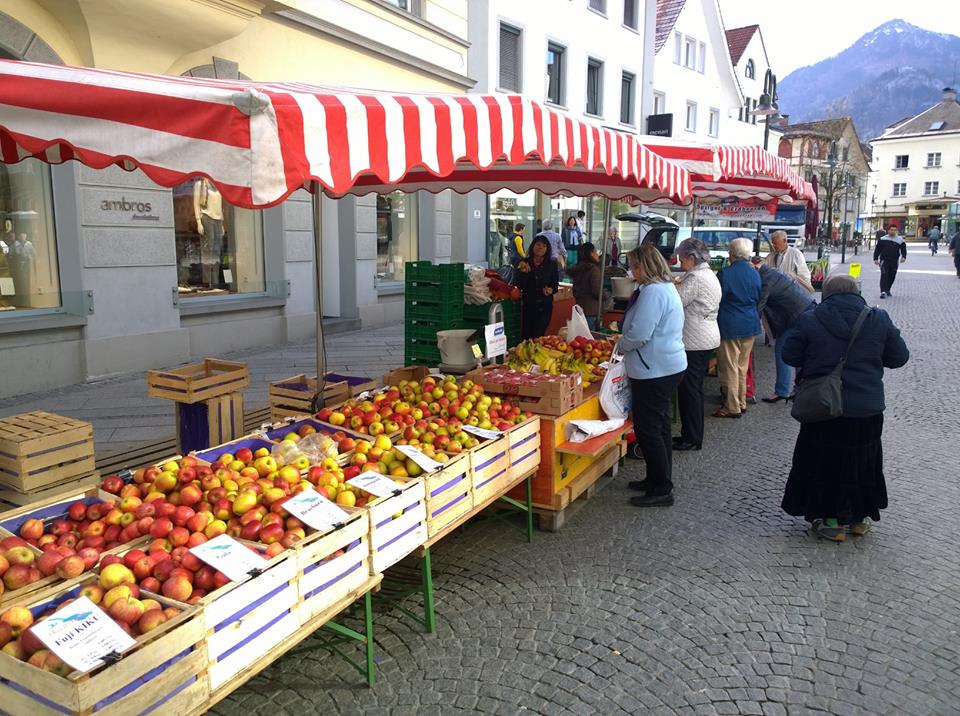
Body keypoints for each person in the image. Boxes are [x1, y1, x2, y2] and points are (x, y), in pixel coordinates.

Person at [781, 273, 909, 541]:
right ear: (856, 292)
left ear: (827, 293)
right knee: (863, 462)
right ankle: (859, 519)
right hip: (867, 406)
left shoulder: (810, 318)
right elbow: (899, 357)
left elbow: (790, 354)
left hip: (824, 406)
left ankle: (831, 521)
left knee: (824, 462)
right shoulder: (878, 318)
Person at [619, 244, 686, 508]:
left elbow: (639, 334)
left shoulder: (654, 292)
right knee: (660, 426)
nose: (632, 271)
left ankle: (661, 488)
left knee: (649, 429)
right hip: (665, 366)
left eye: (635, 266)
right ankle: (657, 478)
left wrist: (620, 345)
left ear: (647, 266)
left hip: (654, 370)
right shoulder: (660, 287)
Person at [672, 239, 721, 451]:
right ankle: (691, 434)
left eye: (682, 260)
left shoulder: (695, 277)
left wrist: (674, 285)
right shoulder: (709, 274)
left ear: (692, 258)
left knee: (690, 391)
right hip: (706, 337)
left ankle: (691, 437)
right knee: (694, 389)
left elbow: (676, 300)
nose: (680, 263)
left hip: (695, 340)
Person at [754, 262, 817, 403]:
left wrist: (751, 326)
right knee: (800, 351)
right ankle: (798, 388)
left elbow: (760, 304)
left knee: (782, 351)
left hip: (796, 315)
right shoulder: (772, 272)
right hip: (804, 310)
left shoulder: (766, 280)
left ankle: (782, 391)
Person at [715, 238, 761, 418]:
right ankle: (741, 401)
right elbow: (758, 295)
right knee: (742, 366)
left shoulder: (725, 273)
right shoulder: (755, 272)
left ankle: (732, 406)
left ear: (731, 254)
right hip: (750, 322)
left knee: (730, 367)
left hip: (731, 323)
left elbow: (718, 298)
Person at [517, 235, 559, 339]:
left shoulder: (552, 264)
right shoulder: (524, 263)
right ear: (533, 246)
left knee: (538, 335)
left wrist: (550, 290)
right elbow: (518, 284)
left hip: (545, 307)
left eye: (544, 246)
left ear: (547, 249)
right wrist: (524, 273)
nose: (540, 248)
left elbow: (555, 285)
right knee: (526, 335)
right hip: (528, 305)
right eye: (538, 244)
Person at [565, 242, 602, 330]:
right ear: (591, 253)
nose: (597, 255)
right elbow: (597, 291)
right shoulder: (594, 270)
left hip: (579, 309)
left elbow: (575, 291)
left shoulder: (579, 269)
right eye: (596, 252)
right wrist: (606, 294)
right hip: (591, 310)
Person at [873, 224, 907, 298]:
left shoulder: (900, 240)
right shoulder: (882, 239)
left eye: (895, 230)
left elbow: (903, 249)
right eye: (891, 230)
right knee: (884, 275)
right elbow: (877, 250)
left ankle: (888, 289)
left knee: (892, 276)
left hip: (894, 261)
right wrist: (875, 258)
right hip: (884, 260)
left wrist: (903, 257)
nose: (893, 231)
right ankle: (883, 291)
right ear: (888, 230)